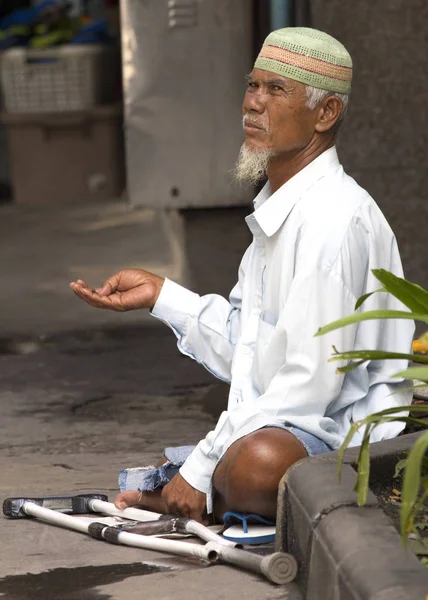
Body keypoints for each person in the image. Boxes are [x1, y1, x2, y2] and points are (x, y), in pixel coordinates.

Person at [70, 27, 414, 525]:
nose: (254, 104)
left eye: (276, 90)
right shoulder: (282, 208)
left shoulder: (332, 221)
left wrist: (205, 464)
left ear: (326, 114)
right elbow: (252, 348)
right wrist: (162, 296)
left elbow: (305, 384)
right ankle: (198, 488)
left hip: (339, 436)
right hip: (291, 423)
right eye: (252, 86)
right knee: (251, 459)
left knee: (258, 465)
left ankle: (191, 491)